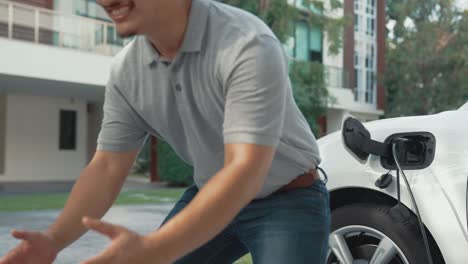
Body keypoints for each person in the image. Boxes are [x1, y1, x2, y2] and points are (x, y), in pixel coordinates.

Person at [0, 0, 331, 263]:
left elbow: (243, 171)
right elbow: (107, 167)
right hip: (209, 195)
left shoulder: (247, 44)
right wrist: (53, 241)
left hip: (288, 200)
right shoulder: (126, 72)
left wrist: (157, 250)